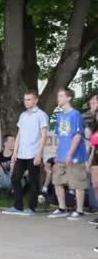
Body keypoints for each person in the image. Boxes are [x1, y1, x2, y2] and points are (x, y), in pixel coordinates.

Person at [1, 91, 49, 216]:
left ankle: (32, 208)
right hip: (22, 153)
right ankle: (18, 206)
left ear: (36, 100)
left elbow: (44, 136)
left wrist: (39, 154)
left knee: (33, 181)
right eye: (25, 99)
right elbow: (19, 134)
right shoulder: (23, 115)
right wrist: (15, 152)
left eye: (29, 99)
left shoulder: (41, 115)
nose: (26, 102)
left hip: (34, 153)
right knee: (15, 178)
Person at [48, 88, 88, 220]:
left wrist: (70, 154)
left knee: (77, 182)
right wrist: (57, 153)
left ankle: (79, 210)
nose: (58, 98)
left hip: (75, 156)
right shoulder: (60, 116)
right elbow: (60, 137)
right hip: (61, 155)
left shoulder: (75, 114)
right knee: (57, 181)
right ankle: (62, 208)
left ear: (69, 98)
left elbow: (77, 136)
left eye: (61, 96)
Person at [86, 121, 98, 225]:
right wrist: (89, 161)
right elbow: (93, 148)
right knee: (95, 185)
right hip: (95, 160)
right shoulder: (94, 129)